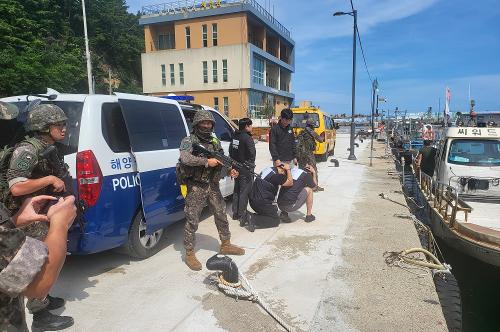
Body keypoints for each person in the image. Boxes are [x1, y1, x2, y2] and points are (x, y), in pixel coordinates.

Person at [4, 103, 71, 329]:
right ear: (43, 127)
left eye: (64, 124)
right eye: (58, 125)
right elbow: (17, 187)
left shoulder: (48, 146)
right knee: (39, 258)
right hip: (25, 214)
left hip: (38, 209)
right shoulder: (27, 150)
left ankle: (43, 298)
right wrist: (49, 180)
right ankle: (40, 316)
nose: (64, 129)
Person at [177, 109, 245, 271]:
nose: (207, 125)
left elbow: (221, 162)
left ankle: (226, 244)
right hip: (196, 185)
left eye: (209, 123)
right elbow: (185, 158)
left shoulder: (215, 141)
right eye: (203, 122)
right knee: (192, 219)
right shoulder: (189, 140)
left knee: (221, 214)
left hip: (212, 185)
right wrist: (207, 161)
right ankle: (189, 252)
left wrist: (230, 171)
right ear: (197, 124)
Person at [247, 163, 293, 232]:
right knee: (275, 220)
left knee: (273, 210)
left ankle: (246, 216)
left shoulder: (268, 169)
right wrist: (288, 170)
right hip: (261, 203)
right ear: (283, 171)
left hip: (252, 201)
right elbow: (290, 183)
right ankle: (253, 219)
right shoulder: (278, 176)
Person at [229, 118, 256, 226]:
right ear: (246, 127)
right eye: (251, 125)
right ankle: (242, 214)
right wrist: (250, 166)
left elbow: (231, 151)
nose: (252, 127)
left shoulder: (235, 136)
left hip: (236, 166)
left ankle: (235, 212)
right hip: (245, 168)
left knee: (237, 189)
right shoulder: (247, 138)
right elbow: (252, 153)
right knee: (244, 191)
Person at [296, 117, 324, 192]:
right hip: (308, 154)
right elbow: (320, 140)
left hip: (301, 154)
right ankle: (315, 186)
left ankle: (301, 187)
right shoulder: (311, 131)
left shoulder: (301, 132)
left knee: (302, 170)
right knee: (313, 169)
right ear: (312, 125)